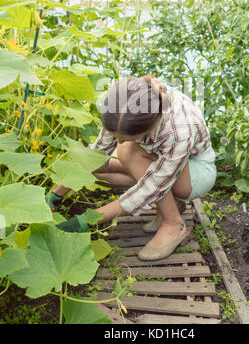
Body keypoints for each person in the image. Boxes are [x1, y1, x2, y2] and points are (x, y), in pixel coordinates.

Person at [47, 74, 216, 261]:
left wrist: (88, 219)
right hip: (161, 163)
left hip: (196, 169)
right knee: (102, 168)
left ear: (149, 128)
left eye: (126, 136)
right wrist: (59, 190)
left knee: (127, 151)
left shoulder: (178, 129)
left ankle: (173, 223)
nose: (118, 141)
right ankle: (168, 206)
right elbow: (97, 153)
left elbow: (151, 186)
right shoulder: (122, 106)